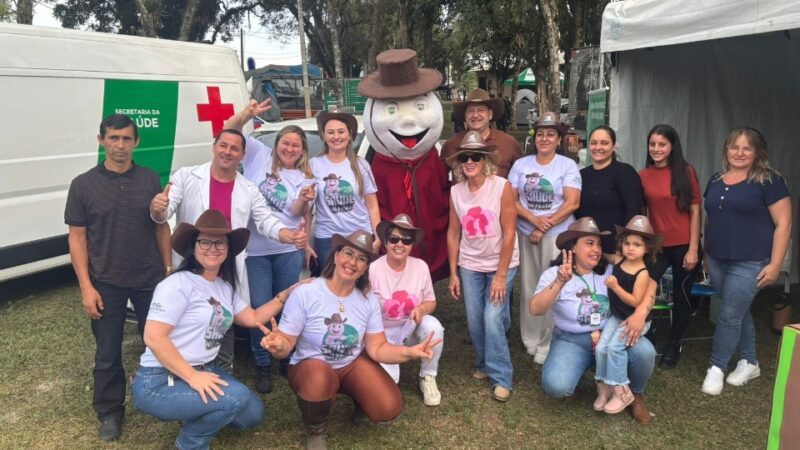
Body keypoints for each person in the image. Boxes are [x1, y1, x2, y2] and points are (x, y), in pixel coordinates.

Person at [131, 209, 305, 449]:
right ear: (194, 246)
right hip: (160, 379)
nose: (212, 248)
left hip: (207, 369)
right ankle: (188, 442)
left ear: (227, 250)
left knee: (252, 414)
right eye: (205, 242)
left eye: (220, 243)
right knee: (237, 399)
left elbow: (253, 317)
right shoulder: (176, 284)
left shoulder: (223, 288)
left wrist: (284, 297)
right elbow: (153, 336)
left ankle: (196, 412)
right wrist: (192, 377)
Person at [258, 230, 441, 450]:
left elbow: (378, 348)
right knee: (318, 377)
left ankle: (359, 398)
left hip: (350, 364)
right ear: (335, 256)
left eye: (361, 258)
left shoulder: (367, 299)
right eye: (348, 253)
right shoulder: (306, 292)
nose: (352, 262)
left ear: (365, 267)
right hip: (312, 365)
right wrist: (279, 346)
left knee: (388, 407)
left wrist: (409, 353)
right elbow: (286, 342)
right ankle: (316, 430)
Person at [149, 127, 307, 372]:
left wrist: (287, 235)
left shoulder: (249, 189)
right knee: (187, 319)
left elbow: (265, 221)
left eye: (235, 148)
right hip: (193, 266)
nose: (228, 152)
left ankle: (223, 371)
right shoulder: (186, 176)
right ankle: (181, 370)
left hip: (225, 268)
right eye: (223, 145)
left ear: (243, 155)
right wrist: (158, 208)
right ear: (214, 147)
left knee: (222, 321)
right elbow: (164, 213)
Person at [65, 114, 172, 441]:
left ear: (136, 142)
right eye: (113, 138)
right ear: (101, 140)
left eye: (126, 139)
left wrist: (168, 273)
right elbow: (77, 238)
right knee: (107, 353)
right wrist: (86, 287)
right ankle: (110, 412)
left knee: (159, 343)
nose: (120, 145)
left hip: (149, 278)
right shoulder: (83, 185)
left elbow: (161, 226)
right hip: (105, 281)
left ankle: (164, 398)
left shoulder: (150, 179)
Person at [224, 101, 315, 393]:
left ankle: (285, 357)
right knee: (259, 308)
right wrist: (246, 115)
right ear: (276, 145)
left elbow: (299, 211)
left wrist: (303, 199)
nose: (290, 149)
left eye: (296, 146)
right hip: (254, 252)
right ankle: (262, 363)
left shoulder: (304, 177)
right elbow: (230, 130)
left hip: (287, 251)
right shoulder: (257, 157)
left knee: (289, 307)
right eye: (286, 143)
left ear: (303, 151)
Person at [530, 217, 656, 424]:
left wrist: (641, 313)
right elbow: (535, 309)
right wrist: (560, 282)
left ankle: (635, 395)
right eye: (589, 243)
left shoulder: (609, 268)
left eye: (598, 243)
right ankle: (580, 373)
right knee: (556, 386)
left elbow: (650, 281)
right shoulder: (555, 273)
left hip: (612, 333)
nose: (596, 249)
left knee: (645, 352)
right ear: (573, 247)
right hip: (572, 340)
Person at [700, 127, 791, 395]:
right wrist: (706, 252)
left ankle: (716, 368)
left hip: (751, 261)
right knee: (736, 309)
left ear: (757, 152)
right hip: (717, 258)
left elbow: (784, 224)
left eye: (747, 148)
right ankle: (750, 361)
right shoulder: (716, 179)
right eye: (734, 147)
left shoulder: (769, 181)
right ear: (726, 150)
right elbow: (710, 218)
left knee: (729, 314)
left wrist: (775, 264)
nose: (739, 153)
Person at [446, 131, 519, 402]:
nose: (469, 161)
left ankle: (502, 376)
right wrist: (453, 273)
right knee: (477, 320)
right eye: (465, 157)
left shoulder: (501, 186)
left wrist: (501, 276)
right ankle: (484, 363)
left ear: (485, 159)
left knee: (492, 318)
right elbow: (453, 234)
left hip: (502, 262)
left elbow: (509, 232)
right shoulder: (456, 191)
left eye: (475, 156)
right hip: (470, 263)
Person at [508, 112, 581, 364]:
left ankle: (548, 341)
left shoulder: (567, 165)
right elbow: (511, 199)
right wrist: (533, 221)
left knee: (553, 285)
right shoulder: (521, 165)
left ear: (558, 139)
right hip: (526, 233)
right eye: (540, 134)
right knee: (529, 285)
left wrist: (544, 224)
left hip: (557, 236)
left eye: (551, 134)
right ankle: (530, 338)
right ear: (534, 137)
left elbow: (573, 202)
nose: (545, 138)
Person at [639, 124, 701, 368]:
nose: (656, 149)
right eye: (652, 144)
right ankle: (649, 329)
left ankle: (675, 344)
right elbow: (643, 213)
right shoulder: (643, 175)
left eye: (662, 144)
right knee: (645, 288)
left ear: (672, 146)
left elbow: (696, 211)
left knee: (682, 295)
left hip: (684, 244)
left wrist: (694, 248)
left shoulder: (686, 172)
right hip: (657, 245)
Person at [369, 214, 445, 406]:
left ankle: (428, 376)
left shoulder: (420, 267)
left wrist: (421, 308)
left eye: (406, 239)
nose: (399, 244)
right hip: (382, 334)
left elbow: (431, 301)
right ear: (385, 242)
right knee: (388, 385)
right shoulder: (373, 269)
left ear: (412, 245)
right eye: (394, 239)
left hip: (410, 329)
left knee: (434, 327)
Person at [594, 215, 660, 414]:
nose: (631, 248)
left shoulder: (643, 273)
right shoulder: (620, 259)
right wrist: (594, 252)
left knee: (615, 347)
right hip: (618, 315)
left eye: (637, 245)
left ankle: (622, 391)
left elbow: (635, 301)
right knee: (602, 347)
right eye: (627, 243)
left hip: (632, 318)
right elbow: (606, 256)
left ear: (646, 248)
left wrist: (615, 286)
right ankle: (604, 387)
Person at [310, 109, 381, 271]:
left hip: (360, 235)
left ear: (349, 135)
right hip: (327, 237)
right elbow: (308, 208)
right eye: (331, 132)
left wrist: (377, 237)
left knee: (358, 284)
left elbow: (372, 205)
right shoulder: (314, 165)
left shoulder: (361, 165)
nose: (336, 137)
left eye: (341, 132)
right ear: (324, 136)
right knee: (328, 285)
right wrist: (308, 244)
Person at [575, 125, 644, 255]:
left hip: (616, 250)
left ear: (613, 147)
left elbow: (633, 210)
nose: (598, 147)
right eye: (593, 143)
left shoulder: (624, 172)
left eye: (604, 143)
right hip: (588, 251)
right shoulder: (581, 175)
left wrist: (625, 244)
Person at [441, 88, 522, 179]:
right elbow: (439, 181)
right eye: (471, 111)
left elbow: (521, 179)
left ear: (490, 114)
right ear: (465, 115)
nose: (475, 115)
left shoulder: (509, 143)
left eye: (480, 110)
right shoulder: (451, 145)